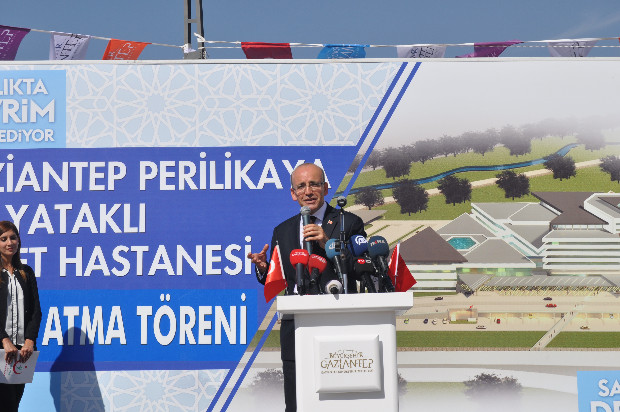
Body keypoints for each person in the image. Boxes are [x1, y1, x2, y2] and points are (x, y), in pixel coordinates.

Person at [247, 163, 366, 412]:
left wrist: (327, 242)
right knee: (298, 403)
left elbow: (361, 268)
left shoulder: (349, 223)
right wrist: (263, 267)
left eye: (314, 184)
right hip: (296, 330)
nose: (308, 191)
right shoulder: (282, 231)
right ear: (293, 193)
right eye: (301, 186)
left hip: (339, 327)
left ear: (325, 188)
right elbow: (279, 277)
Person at [0, 221, 42, 412]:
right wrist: (4, 340)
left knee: (14, 404)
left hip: (22, 353)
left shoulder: (26, 272)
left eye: (13, 237)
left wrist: (30, 341)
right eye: (4, 239)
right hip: (1, 351)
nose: (10, 242)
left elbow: (36, 311)